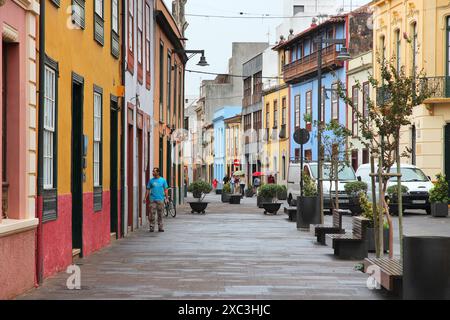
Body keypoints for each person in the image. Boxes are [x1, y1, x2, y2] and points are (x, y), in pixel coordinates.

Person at [144, 167, 168, 232]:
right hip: (153, 200)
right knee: (151, 214)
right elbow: (148, 189)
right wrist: (145, 198)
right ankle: (151, 227)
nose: (153, 173)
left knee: (160, 214)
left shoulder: (163, 180)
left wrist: (166, 198)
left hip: (160, 200)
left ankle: (160, 227)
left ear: (158, 172)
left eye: (154, 171)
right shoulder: (151, 181)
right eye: (153, 171)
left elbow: (165, 190)